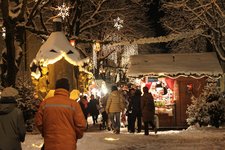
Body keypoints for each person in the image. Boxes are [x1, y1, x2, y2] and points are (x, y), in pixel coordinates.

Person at [35, 78, 86, 150]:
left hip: (50, 144)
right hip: (68, 145)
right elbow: (81, 125)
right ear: (68, 89)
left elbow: (38, 122)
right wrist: (75, 135)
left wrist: (46, 133)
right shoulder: (74, 104)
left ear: (56, 88)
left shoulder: (45, 103)